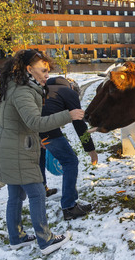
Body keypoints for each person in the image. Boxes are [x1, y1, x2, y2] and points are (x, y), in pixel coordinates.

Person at [0, 49, 84, 255]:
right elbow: (35, 121)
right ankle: (46, 240)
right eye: (43, 70)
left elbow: (22, 123)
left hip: (12, 148)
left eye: (48, 71)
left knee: (15, 195)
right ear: (29, 69)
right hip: (18, 152)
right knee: (37, 193)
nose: (46, 74)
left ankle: (17, 238)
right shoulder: (23, 91)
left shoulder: (17, 86)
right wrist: (68, 115)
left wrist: (36, 139)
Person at [39, 76, 98, 220]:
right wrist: (91, 149)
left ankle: (42, 189)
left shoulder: (43, 89)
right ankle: (69, 206)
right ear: (71, 87)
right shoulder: (68, 92)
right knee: (70, 162)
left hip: (32, 129)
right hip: (49, 130)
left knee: (39, 157)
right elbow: (79, 124)